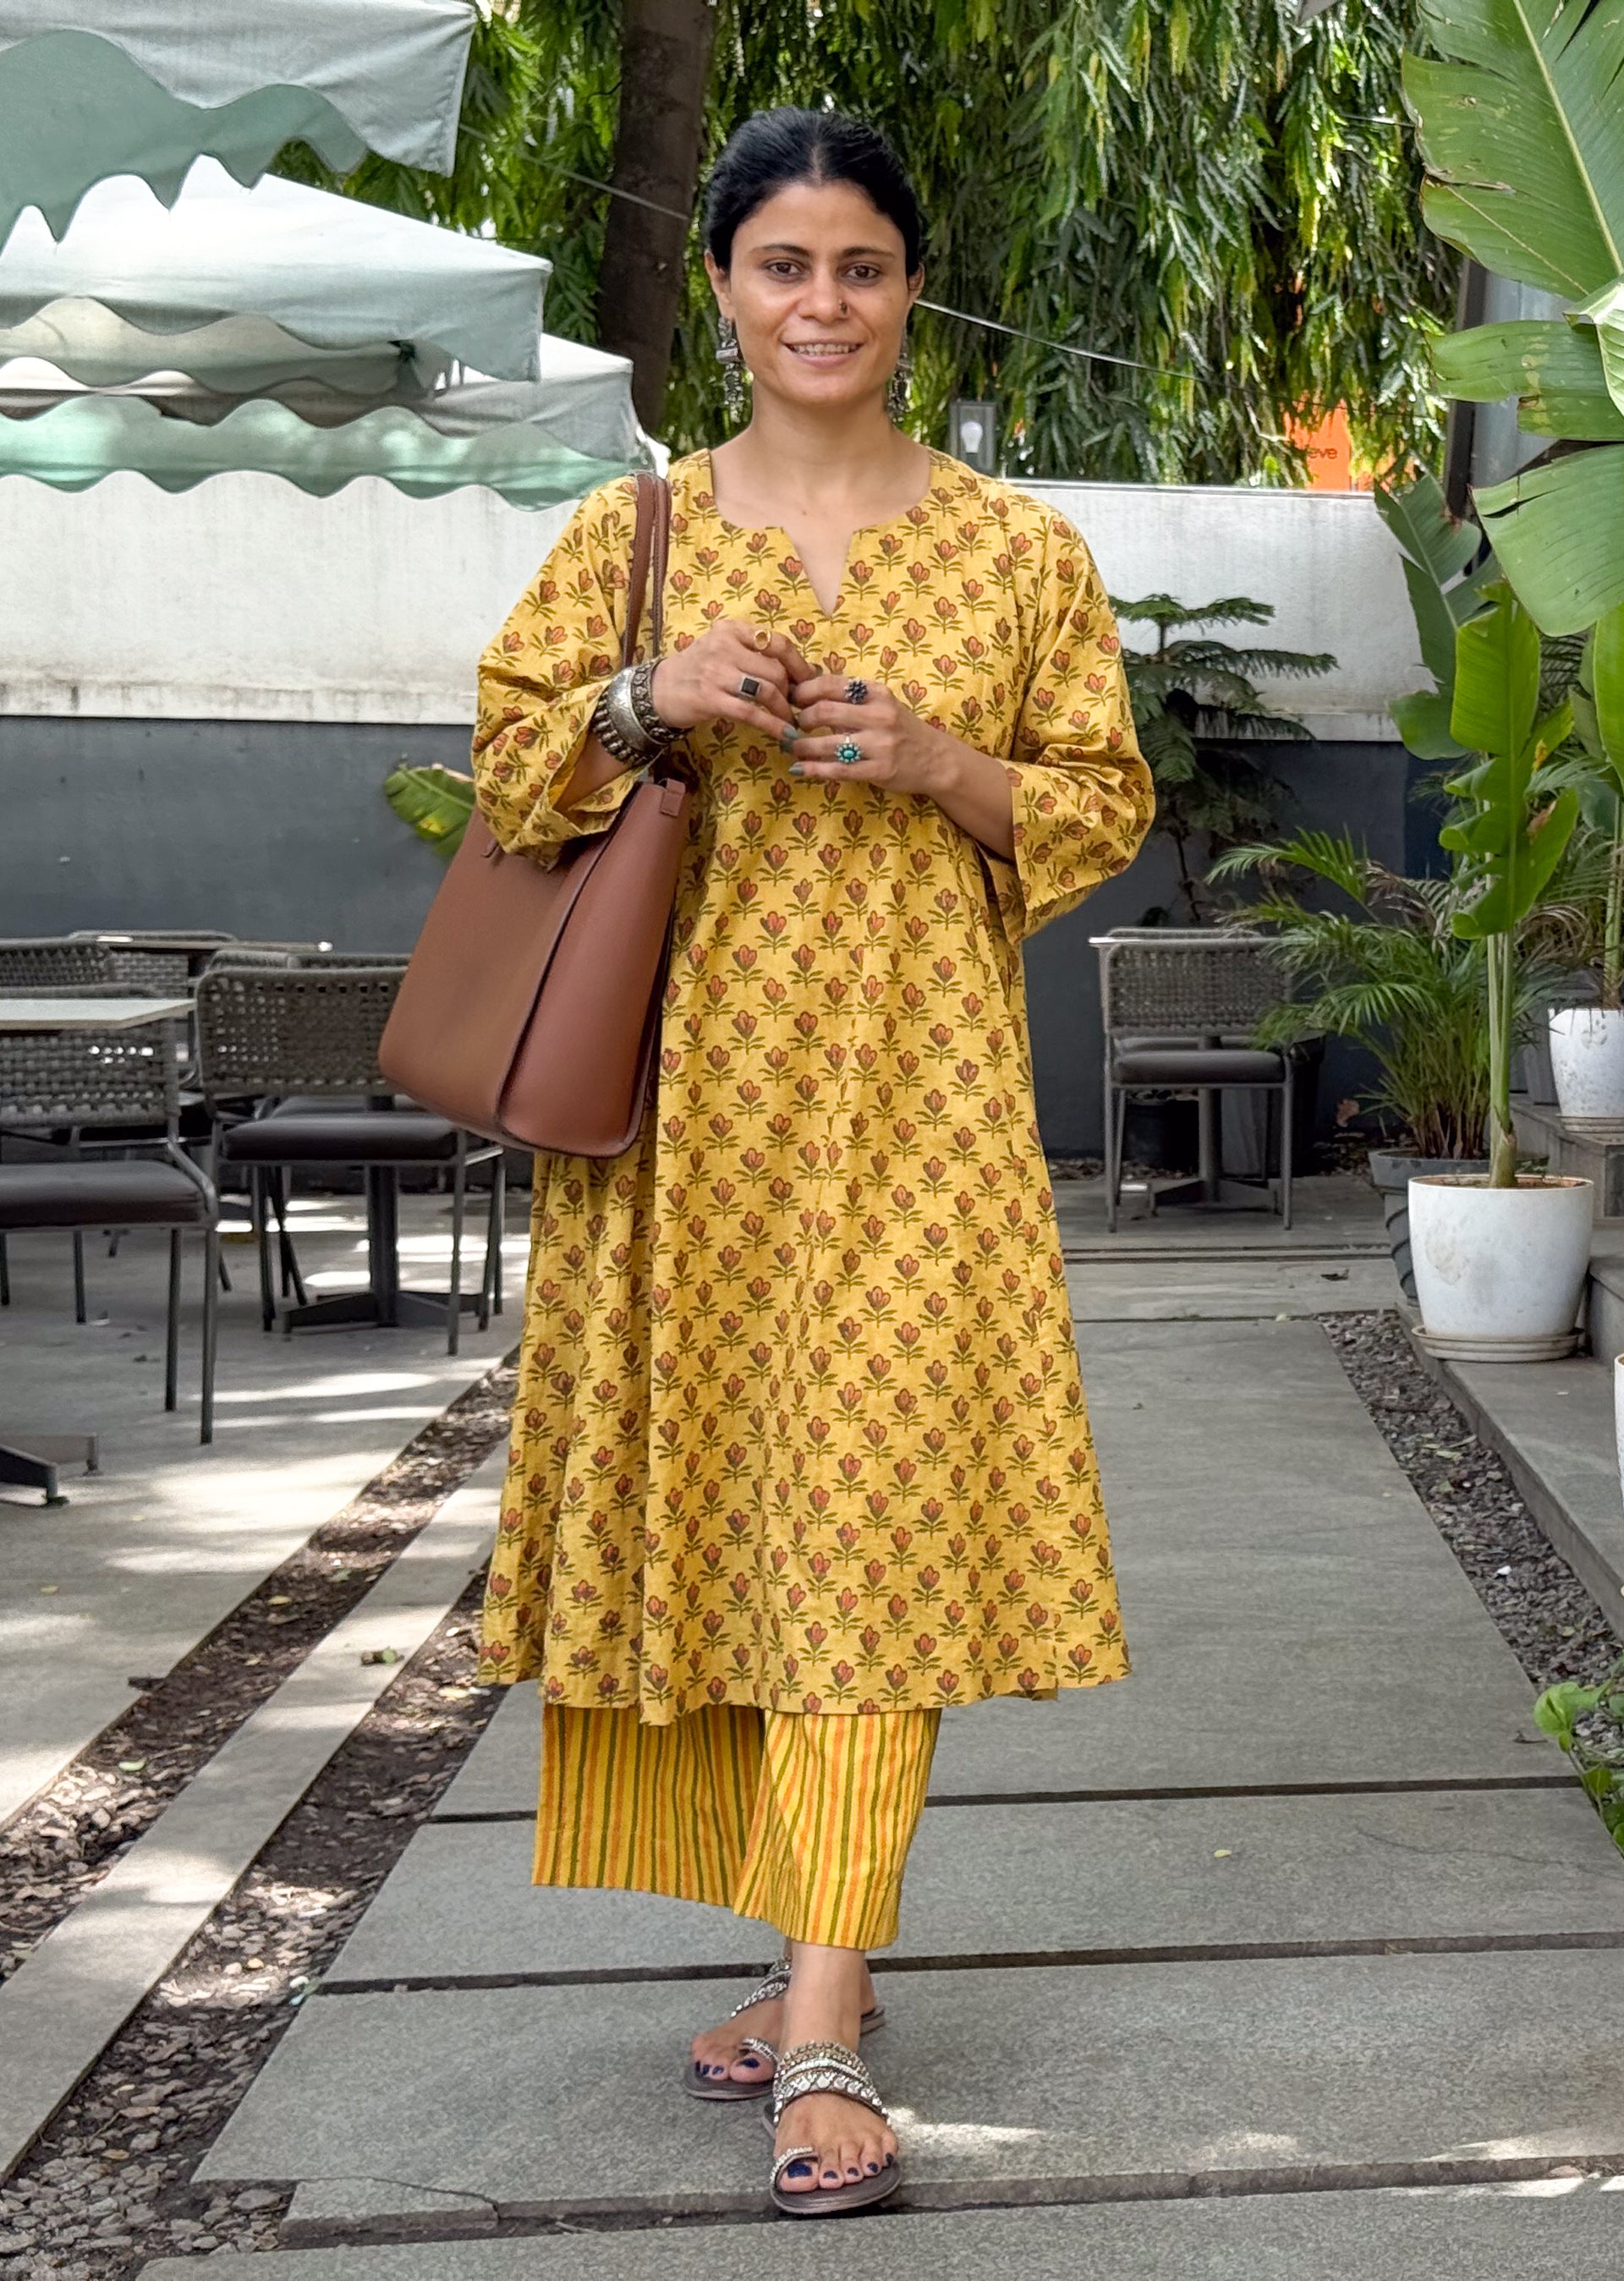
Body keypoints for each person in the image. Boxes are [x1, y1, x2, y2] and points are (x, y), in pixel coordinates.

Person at [470, 104, 1155, 2218]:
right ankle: (802, 1948)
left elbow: (1103, 800)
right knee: (728, 1531)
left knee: (873, 1534)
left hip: (921, 1118)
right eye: (785, 265)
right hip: (680, 1137)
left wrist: (946, 760)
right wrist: (641, 694)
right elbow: (504, 776)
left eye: (862, 265)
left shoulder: (1021, 552)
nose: (825, 302)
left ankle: (831, 2011)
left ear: (911, 287)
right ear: (725, 290)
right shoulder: (634, 530)